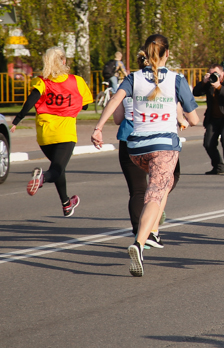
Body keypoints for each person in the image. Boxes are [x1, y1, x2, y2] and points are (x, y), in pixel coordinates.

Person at [92, 34, 199, 277]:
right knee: (155, 192)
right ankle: (140, 242)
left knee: (164, 184)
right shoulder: (176, 79)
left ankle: (153, 228)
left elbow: (115, 102)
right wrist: (185, 119)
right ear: (167, 54)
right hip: (163, 146)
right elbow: (193, 119)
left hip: (136, 148)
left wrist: (98, 128)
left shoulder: (132, 78)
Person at [10, 46, 93, 215]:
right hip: (65, 133)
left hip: (44, 134)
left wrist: (17, 120)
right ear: (63, 61)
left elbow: (31, 100)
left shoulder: (42, 82)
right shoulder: (76, 81)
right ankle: (42, 178)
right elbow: (85, 104)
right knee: (55, 170)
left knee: (57, 168)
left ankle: (66, 204)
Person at [113, 49, 183, 246]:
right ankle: (151, 224)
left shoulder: (127, 83)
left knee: (137, 191)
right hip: (159, 140)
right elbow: (179, 112)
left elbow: (118, 118)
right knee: (164, 181)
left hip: (128, 140)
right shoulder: (165, 83)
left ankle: (139, 233)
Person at [193, 64, 224, 175]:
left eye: (216, 73)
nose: (214, 75)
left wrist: (219, 86)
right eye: (211, 73)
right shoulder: (209, 82)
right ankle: (218, 167)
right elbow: (195, 92)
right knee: (208, 143)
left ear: (222, 73)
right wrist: (204, 82)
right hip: (213, 118)